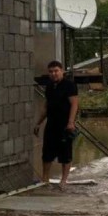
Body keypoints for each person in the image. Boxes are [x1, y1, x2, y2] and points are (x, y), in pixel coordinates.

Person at [34, 60, 79, 188]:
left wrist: (71, 122)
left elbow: (74, 104)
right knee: (47, 152)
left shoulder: (69, 85)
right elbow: (46, 107)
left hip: (65, 125)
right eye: (51, 71)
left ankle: (63, 181)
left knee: (65, 153)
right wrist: (38, 123)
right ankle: (45, 178)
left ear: (62, 71)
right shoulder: (49, 86)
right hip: (51, 124)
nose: (54, 74)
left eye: (56, 71)